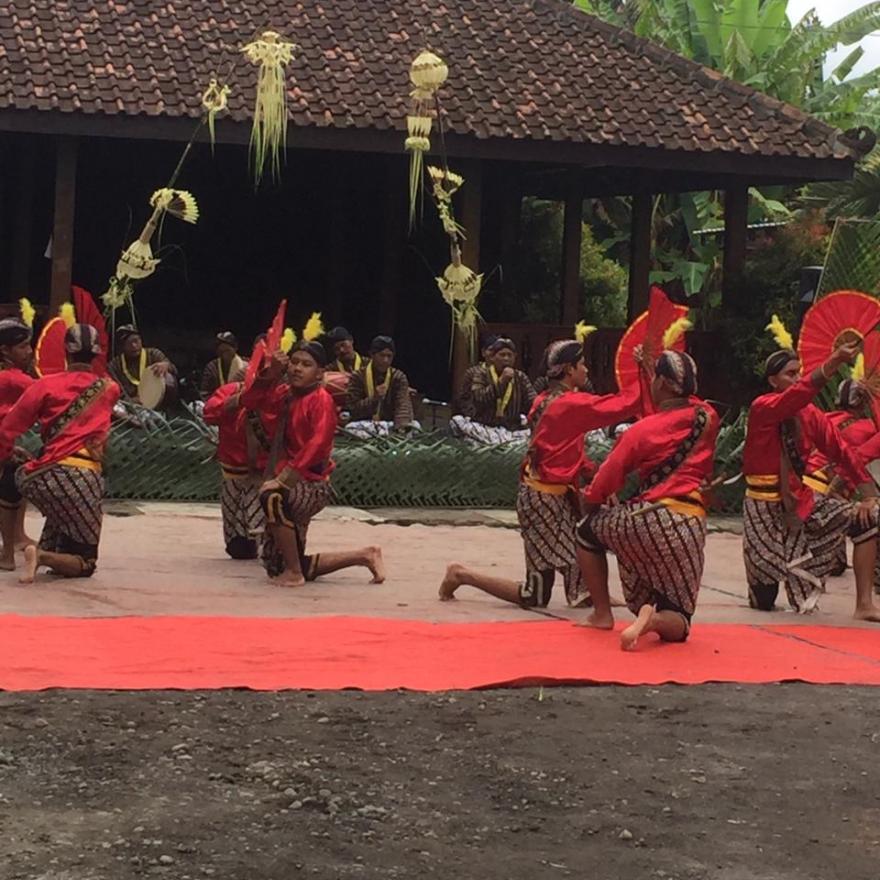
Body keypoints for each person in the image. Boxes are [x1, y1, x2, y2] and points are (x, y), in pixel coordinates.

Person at [439, 338, 641, 608]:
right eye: (582, 365)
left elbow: (563, 449)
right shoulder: (566, 405)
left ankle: (590, 595)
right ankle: (462, 575)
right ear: (569, 370)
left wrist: (593, 476)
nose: (587, 370)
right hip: (543, 501)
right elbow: (622, 405)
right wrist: (645, 371)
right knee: (535, 594)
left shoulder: (547, 400)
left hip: (549, 496)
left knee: (579, 570)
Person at [574, 350, 719, 651]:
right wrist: (650, 367)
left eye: (656, 377)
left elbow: (606, 479)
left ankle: (602, 614)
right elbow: (673, 404)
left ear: (663, 382)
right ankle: (652, 621)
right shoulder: (708, 417)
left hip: (648, 517)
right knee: (679, 619)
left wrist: (591, 501)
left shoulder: (640, 432)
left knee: (586, 532)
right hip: (691, 524)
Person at [742, 343, 880, 621]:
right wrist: (833, 362)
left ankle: (864, 604)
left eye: (798, 373)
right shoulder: (763, 407)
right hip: (763, 506)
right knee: (764, 599)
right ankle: (761, 587)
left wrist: (867, 494)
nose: (795, 379)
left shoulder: (812, 415)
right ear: (772, 380)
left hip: (801, 502)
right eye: (789, 374)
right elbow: (799, 393)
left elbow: (843, 453)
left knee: (870, 518)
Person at [241, 341, 386, 587]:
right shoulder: (285, 393)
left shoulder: (322, 400)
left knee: (272, 497)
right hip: (293, 480)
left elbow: (317, 444)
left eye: (306, 364)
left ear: (320, 373)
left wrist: (283, 480)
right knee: (273, 567)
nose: (297, 368)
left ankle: (295, 572)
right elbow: (251, 401)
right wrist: (271, 373)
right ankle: (364, 556)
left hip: (312, 485)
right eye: (294, 362)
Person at [0, 324, 120, 583]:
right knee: (85, 562)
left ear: (66, 351)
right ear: (97, 353)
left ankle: (8, 551)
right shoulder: (110, 390)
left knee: (13, 474)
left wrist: (6, 454)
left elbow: (7, 429)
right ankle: (40, 556)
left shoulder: (44, 386)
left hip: (41, 477)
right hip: (85, 478)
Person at [803, 379, 877, 576]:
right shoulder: (867, 427)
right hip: (828, 490)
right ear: (861, 402)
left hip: (803, 485)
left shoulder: (825, 418)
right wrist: (874, 402)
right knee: (868, 521)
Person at [203, 366, 274, 560]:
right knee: (236, 545)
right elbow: (209, 414)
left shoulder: (276, 394)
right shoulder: (231, 390)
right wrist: (238, 400)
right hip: (233, 469)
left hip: (262, 473)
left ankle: (270, 548)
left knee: (259, 522)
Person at [449, 337, 536, 445]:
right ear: (493, 357)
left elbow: (532, 400)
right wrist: (502, 382)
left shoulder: (520, 377)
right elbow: (479, 398)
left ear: (515, 357)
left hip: (512, 428)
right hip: (484, 426)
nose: (506, 358)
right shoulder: (481, 374)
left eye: (510, 355)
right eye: (502, 355)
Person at [0, 318, 36, 568]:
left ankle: (16, 538)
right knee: (12, 478)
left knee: (19, 469)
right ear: (5, 351)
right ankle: (8, 552)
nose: (30, 351)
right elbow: (45, 392)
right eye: (23, 346)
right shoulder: (12, 378)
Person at [344, 335, 416, 438]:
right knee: (350, 429)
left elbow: (402, 405)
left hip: (390, 425)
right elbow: (353, 409)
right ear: (372, 355)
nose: (386, 360)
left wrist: (401, 429)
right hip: (367, 425)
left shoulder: (398, 377)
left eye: (389, 356)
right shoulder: (358, 376)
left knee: (414, 426)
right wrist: (374, 399)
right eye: (382, 355)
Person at [108, 324, 177, 404]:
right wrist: (130, 400)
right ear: (122, 346)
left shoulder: (153, 354)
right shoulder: (114, 365)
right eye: (129, 343)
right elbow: (115, 391)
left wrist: (166, 365)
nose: (134, 346)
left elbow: (174, 370)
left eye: (136, 341)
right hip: (132, 405)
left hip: (158, 400)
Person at [453, 334, 497, 417]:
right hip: (478, 418)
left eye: (498, 351)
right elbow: (463, 398)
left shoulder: (510, 374)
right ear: (483, 352)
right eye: (491, 350)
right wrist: (473, 414)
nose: (494, 354)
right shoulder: (472, 373)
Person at [200, 332, 244, 401]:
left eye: (227, 351)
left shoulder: (246, 366)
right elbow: (205, 392)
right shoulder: (212, 368)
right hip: (216, 406)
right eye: (221, 352)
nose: (224, 355)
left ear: (235, 348)